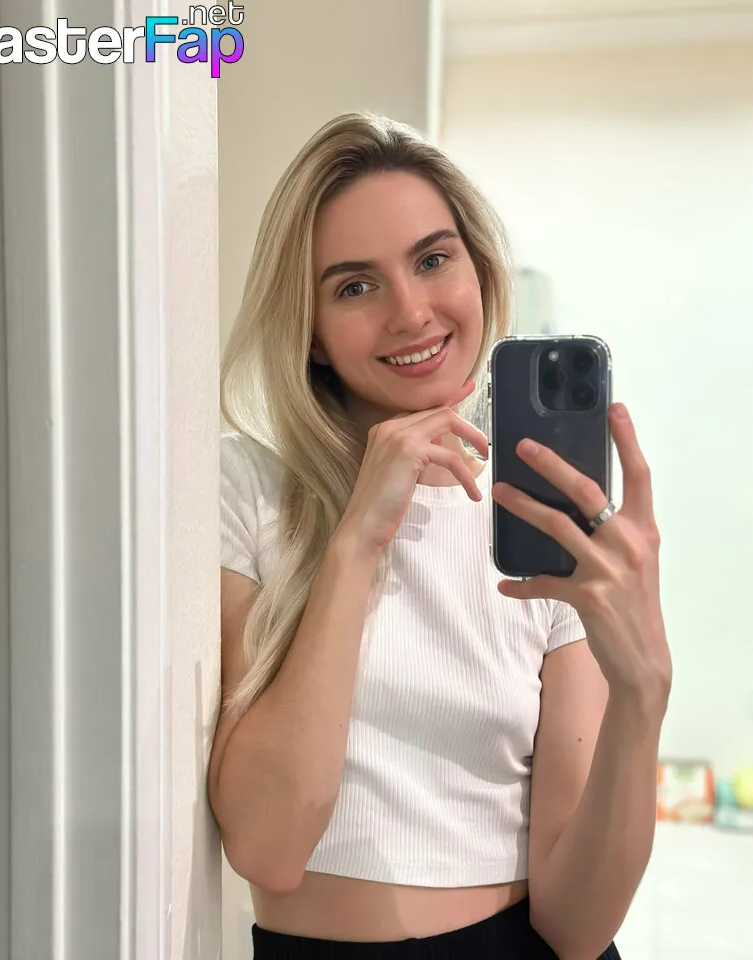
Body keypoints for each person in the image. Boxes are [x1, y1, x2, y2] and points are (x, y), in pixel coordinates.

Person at [210, 112, 672, 959]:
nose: (412, 313)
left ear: (478, 269)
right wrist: (357, 539)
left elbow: (576, 927)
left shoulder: (540, 522)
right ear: (310, 328)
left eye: (432, 260)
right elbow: (267, 846)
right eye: (355, 286)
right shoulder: (246, 488)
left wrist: (644, 687)